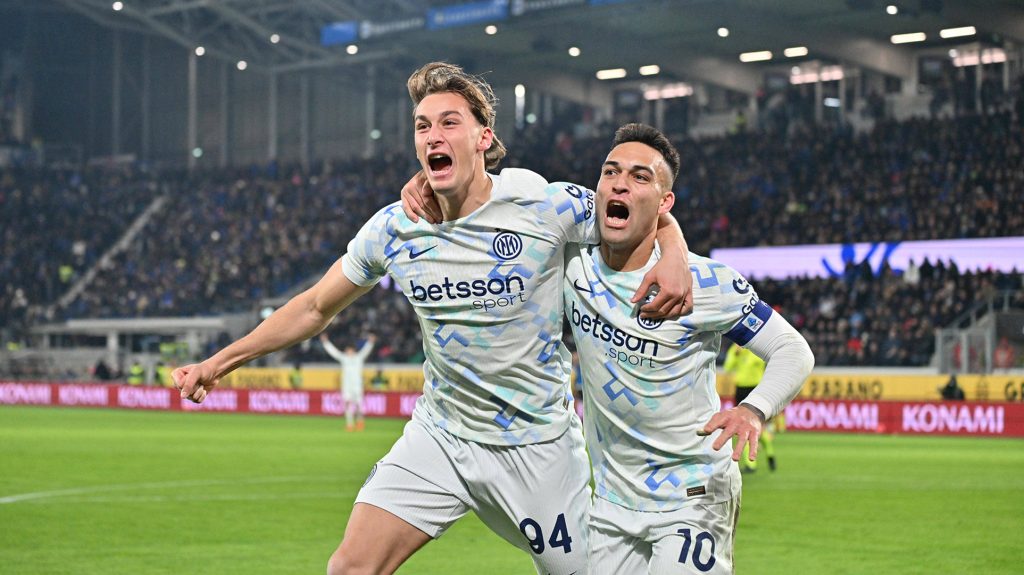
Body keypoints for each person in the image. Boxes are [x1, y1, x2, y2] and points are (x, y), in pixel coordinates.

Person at [174, 62, 692, 575]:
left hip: (536, 449)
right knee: (350, 567)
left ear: (483, 138)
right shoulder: (395, 229)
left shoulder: (542, 204)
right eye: (423, 126)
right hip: (441, 436)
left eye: (449, 122)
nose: (433, 135)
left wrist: (674, 253)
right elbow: (313, 307)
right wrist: (219, 363)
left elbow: (637, 207)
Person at [562, 124, 813, 574]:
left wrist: (753, 410)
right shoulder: (572, 264)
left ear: (664, 203)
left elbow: (792, 350)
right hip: (612, 502)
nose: (619, 183)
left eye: (640, 176)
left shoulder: (707, 283)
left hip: (692, 495)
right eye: (610, 171)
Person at [723, 343, 777, 473]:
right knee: (744, 426)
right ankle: (767, 455)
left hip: (755, 390)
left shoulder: (757, 347)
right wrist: (736, 354)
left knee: (754, 427)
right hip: (740, 390)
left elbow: (760, 364)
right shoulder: (735, 349)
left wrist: (747, 353)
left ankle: (755, 462)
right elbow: (727, 367)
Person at [320, 333, 375, 431]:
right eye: (347, 350)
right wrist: (325, 342)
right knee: (347, 404)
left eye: (349, 350)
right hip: (346, 386)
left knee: (358, 405)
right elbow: (333, 352)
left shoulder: (359, 358)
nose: (348, 352)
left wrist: (370, 342)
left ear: (353, 350)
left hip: (357, 386)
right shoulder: (344, 358)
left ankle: (360, 422)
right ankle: (349, 424)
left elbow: (366, 350)